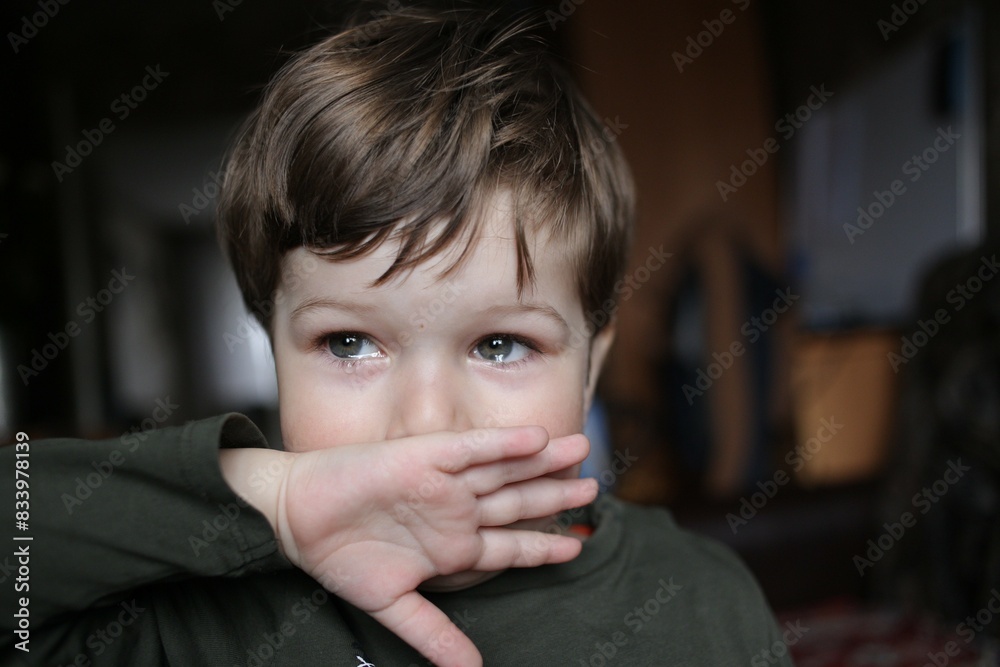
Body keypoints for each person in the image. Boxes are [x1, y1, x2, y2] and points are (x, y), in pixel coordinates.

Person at [1, 6, 793, 666]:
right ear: (272, 353)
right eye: (349, 343)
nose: (426, 422)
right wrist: (273, 500)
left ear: (591, 368)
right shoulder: (196, 625)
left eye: (500, 344)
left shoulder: (702, 603)